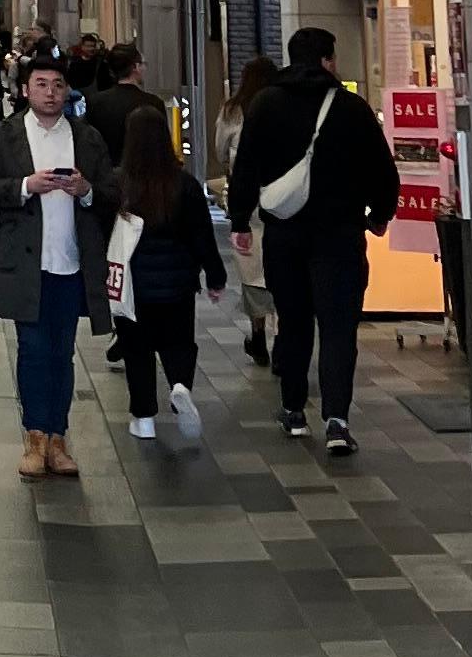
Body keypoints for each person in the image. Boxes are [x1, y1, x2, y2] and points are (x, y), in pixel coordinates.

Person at [227, 27, 400, 454]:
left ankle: (293, 410)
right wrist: (379, 215)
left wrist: (240, 222)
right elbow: (382, 169)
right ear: (327, 60)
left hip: (284, 233)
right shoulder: (350, 108)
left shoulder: (265, 103)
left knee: (294, 319)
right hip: (339, 235)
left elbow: (245, 165)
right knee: (339, 328)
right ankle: (337, 421)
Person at [0, 44, 118, 478]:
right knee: (33, 350)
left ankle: (59, 437)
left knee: (62, 353)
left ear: (67, 91)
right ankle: (35, 436)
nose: (50, 93)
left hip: (72, 262)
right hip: (25, 262)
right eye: (41, 85)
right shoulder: (6, 134)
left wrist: (86, 190)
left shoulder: (85, 136)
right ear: (25, 90)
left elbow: (111, 192)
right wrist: (25, 186)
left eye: (58, 85)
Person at [105, 98, 228, 443]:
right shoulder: (184, 185)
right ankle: (179, 385)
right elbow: (202, 236)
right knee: (178, 344)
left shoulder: (120, 185)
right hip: (177, 285)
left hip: (134, 287)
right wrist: (215, 277)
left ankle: (143, 418)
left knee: (137, 351)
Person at [215, 50, 282, 363]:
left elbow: (220, 150)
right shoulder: (284, 105)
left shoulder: (233, 110)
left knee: (252, 266)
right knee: (283, 264)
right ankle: (284, 334)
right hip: (282, 196)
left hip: (247, 197)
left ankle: (258, 334)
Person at [81, 40, 154, 170]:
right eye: (143, 64)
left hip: (106, 174)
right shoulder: (151, 103)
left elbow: (89, 143)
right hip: (143, 175)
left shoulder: (95, 102)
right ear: (135, 67)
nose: (144, 68)